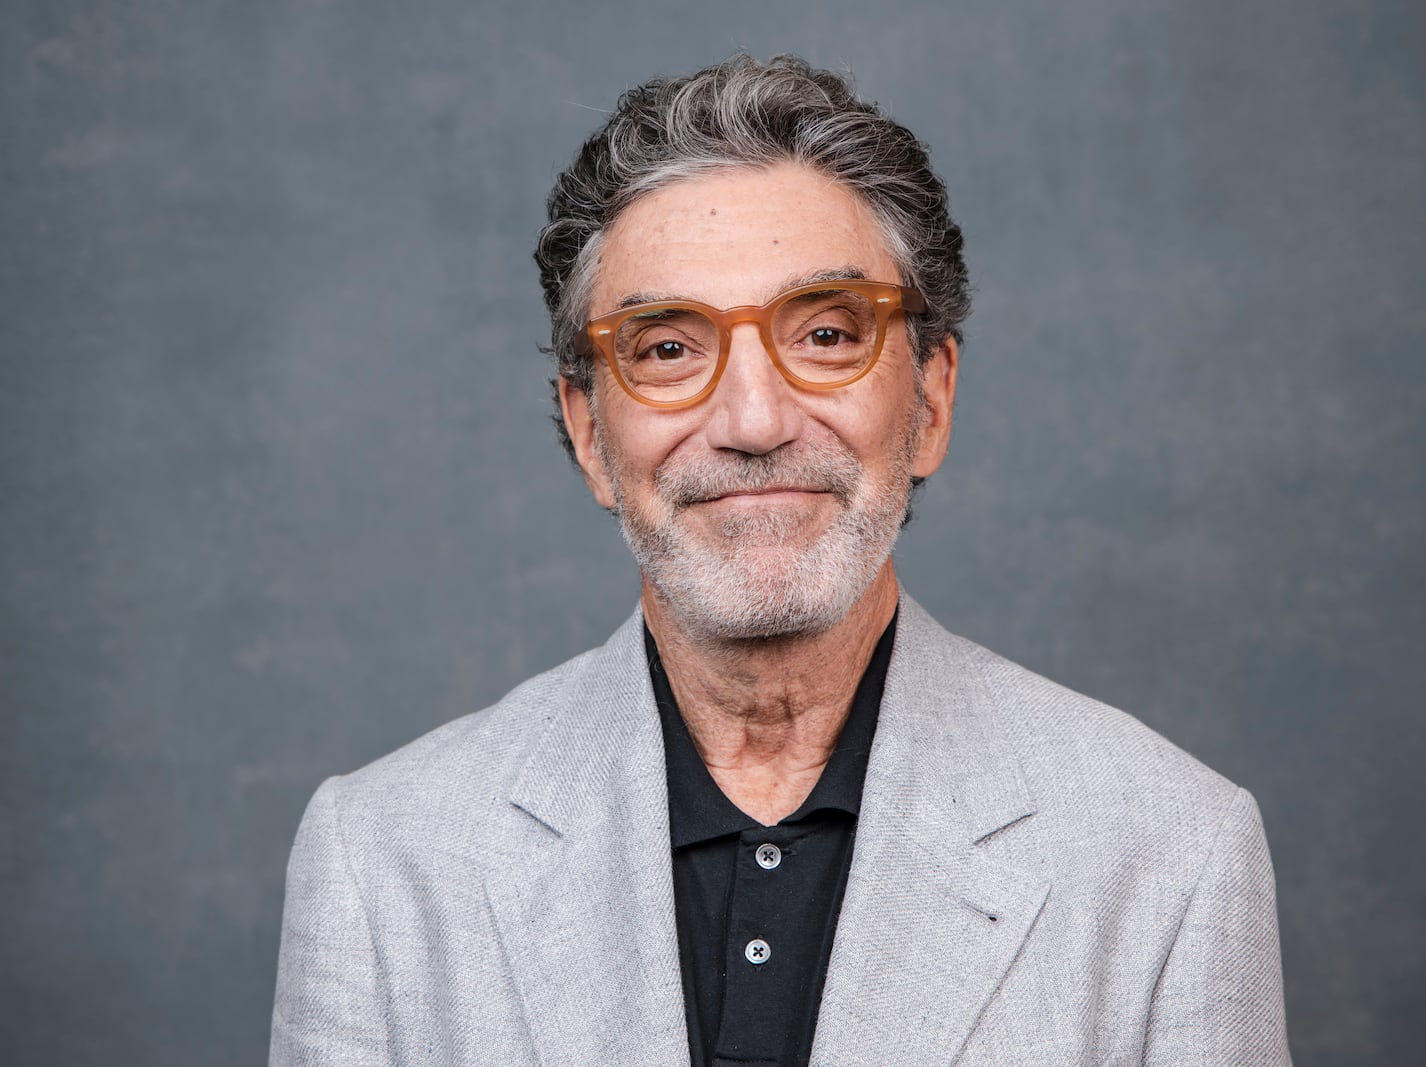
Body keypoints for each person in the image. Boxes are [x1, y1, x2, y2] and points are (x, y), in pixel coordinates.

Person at [270, 55, 1291, 1066]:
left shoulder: (1169, 851)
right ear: (588, 431)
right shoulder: (384, 857)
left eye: (827, 334)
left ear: (930, 400)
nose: (753, 421)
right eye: (667, 347)